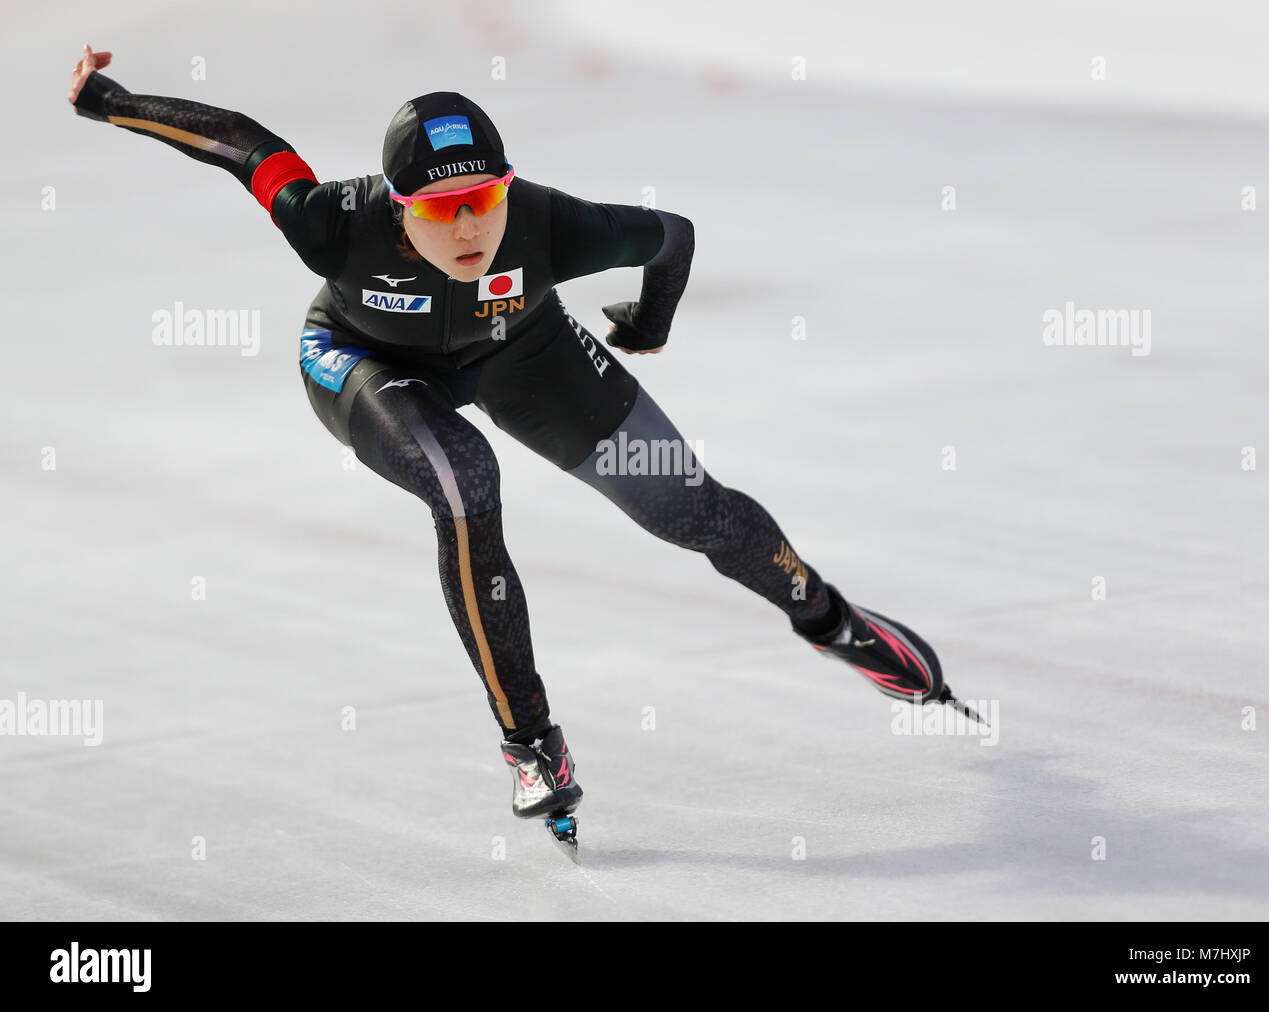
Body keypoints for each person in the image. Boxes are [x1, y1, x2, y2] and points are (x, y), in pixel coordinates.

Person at [68, 43, 949, 837]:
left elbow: (671, 236)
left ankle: (831, 619)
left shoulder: (546, 224)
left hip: (522, 351)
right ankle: (531, 743)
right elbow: (240, 142)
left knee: (687, 508)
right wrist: (108, 99)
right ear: (397, 205)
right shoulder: (333, 220)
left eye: (482, 200)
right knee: (465, 479)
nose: (467, 228)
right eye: (440, 208)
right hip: (368, 361)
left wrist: (650, 322)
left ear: (506, 186)